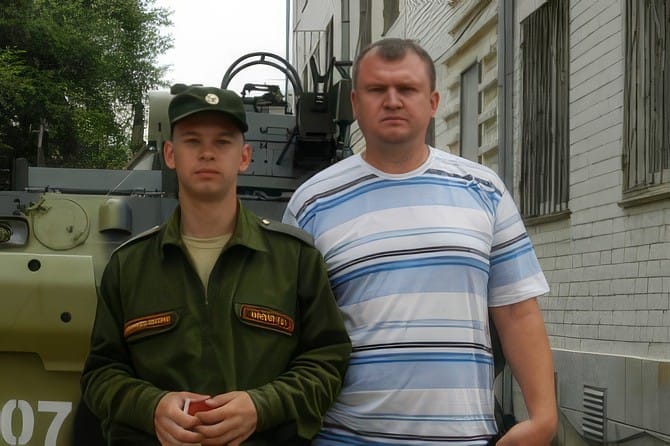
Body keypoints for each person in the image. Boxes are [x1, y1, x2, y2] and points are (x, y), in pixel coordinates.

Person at [283, 38, 558, 445]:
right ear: (355, 104)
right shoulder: (311, 203)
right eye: (377, 89)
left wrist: (544, 418)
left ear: (432, 102)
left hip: (463, 436)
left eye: (407, 89)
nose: (392, 101)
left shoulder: (484, 190)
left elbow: (517, 311)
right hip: (347, 437)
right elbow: (290, 330)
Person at [81, 85, 351, 446]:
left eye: (222, 142)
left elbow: (327, 362)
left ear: (244, 157)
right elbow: (101, 373)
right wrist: (152, 407)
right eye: (192, 141)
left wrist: (261, 407)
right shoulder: (130, 265)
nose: (207, 153)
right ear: (170, 154)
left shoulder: (295, 258)